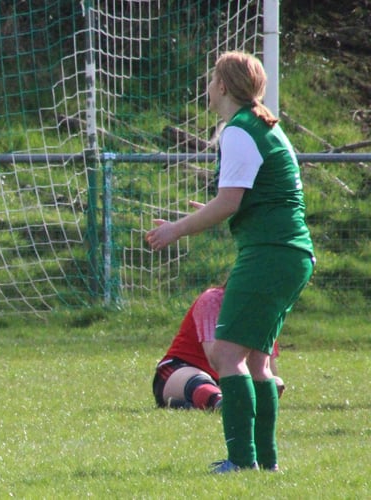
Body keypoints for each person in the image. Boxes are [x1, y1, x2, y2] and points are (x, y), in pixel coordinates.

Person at [145, 51, 314, 473]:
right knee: (256, 360)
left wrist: (176, 229)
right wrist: (208, 210)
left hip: (271, 253)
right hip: (290, 253)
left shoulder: (238, 130)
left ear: (222, 86)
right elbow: (253, 200)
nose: (207, 88)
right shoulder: (266, 127)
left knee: (225, 356)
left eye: (211, 80)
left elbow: (229, 203)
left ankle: (241, 461)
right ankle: (263, 462)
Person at [153, 286, 285, 411]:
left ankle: (198, 403)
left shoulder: (265, 311)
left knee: (273, 383)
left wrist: (272, 384)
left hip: (229, 380)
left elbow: (268, 370)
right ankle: (219, 402)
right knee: (200, 381)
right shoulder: (212, 300)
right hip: (181, 369)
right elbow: (216, 360)